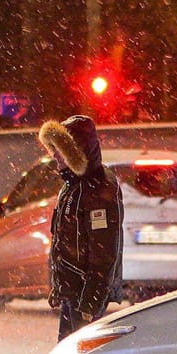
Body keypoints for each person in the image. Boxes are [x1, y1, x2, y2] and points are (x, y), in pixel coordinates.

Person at [38, 115, 123, 338]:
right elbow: (63, 242)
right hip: (73, 294)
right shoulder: (72, 186)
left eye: (59, 150)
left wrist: (91, 302)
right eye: (53, 149)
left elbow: (104, 252)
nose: (54, 155)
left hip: (84, 298)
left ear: (76, 152)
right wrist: (60, 287)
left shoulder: (97, 189)